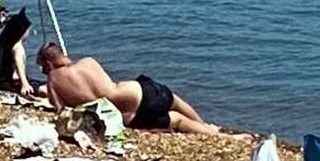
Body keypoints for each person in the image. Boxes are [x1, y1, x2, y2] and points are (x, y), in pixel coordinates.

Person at [36, 42, 242, 138]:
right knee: (174, 101)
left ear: (49, 62)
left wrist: (48, 91)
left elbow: (60, 110)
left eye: (42, 66)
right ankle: (209, 127)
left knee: (177, 120)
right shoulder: (88, 62)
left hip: (125, 118)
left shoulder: (53, 79)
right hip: (136, 93)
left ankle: (225, 138)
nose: (43, 70)